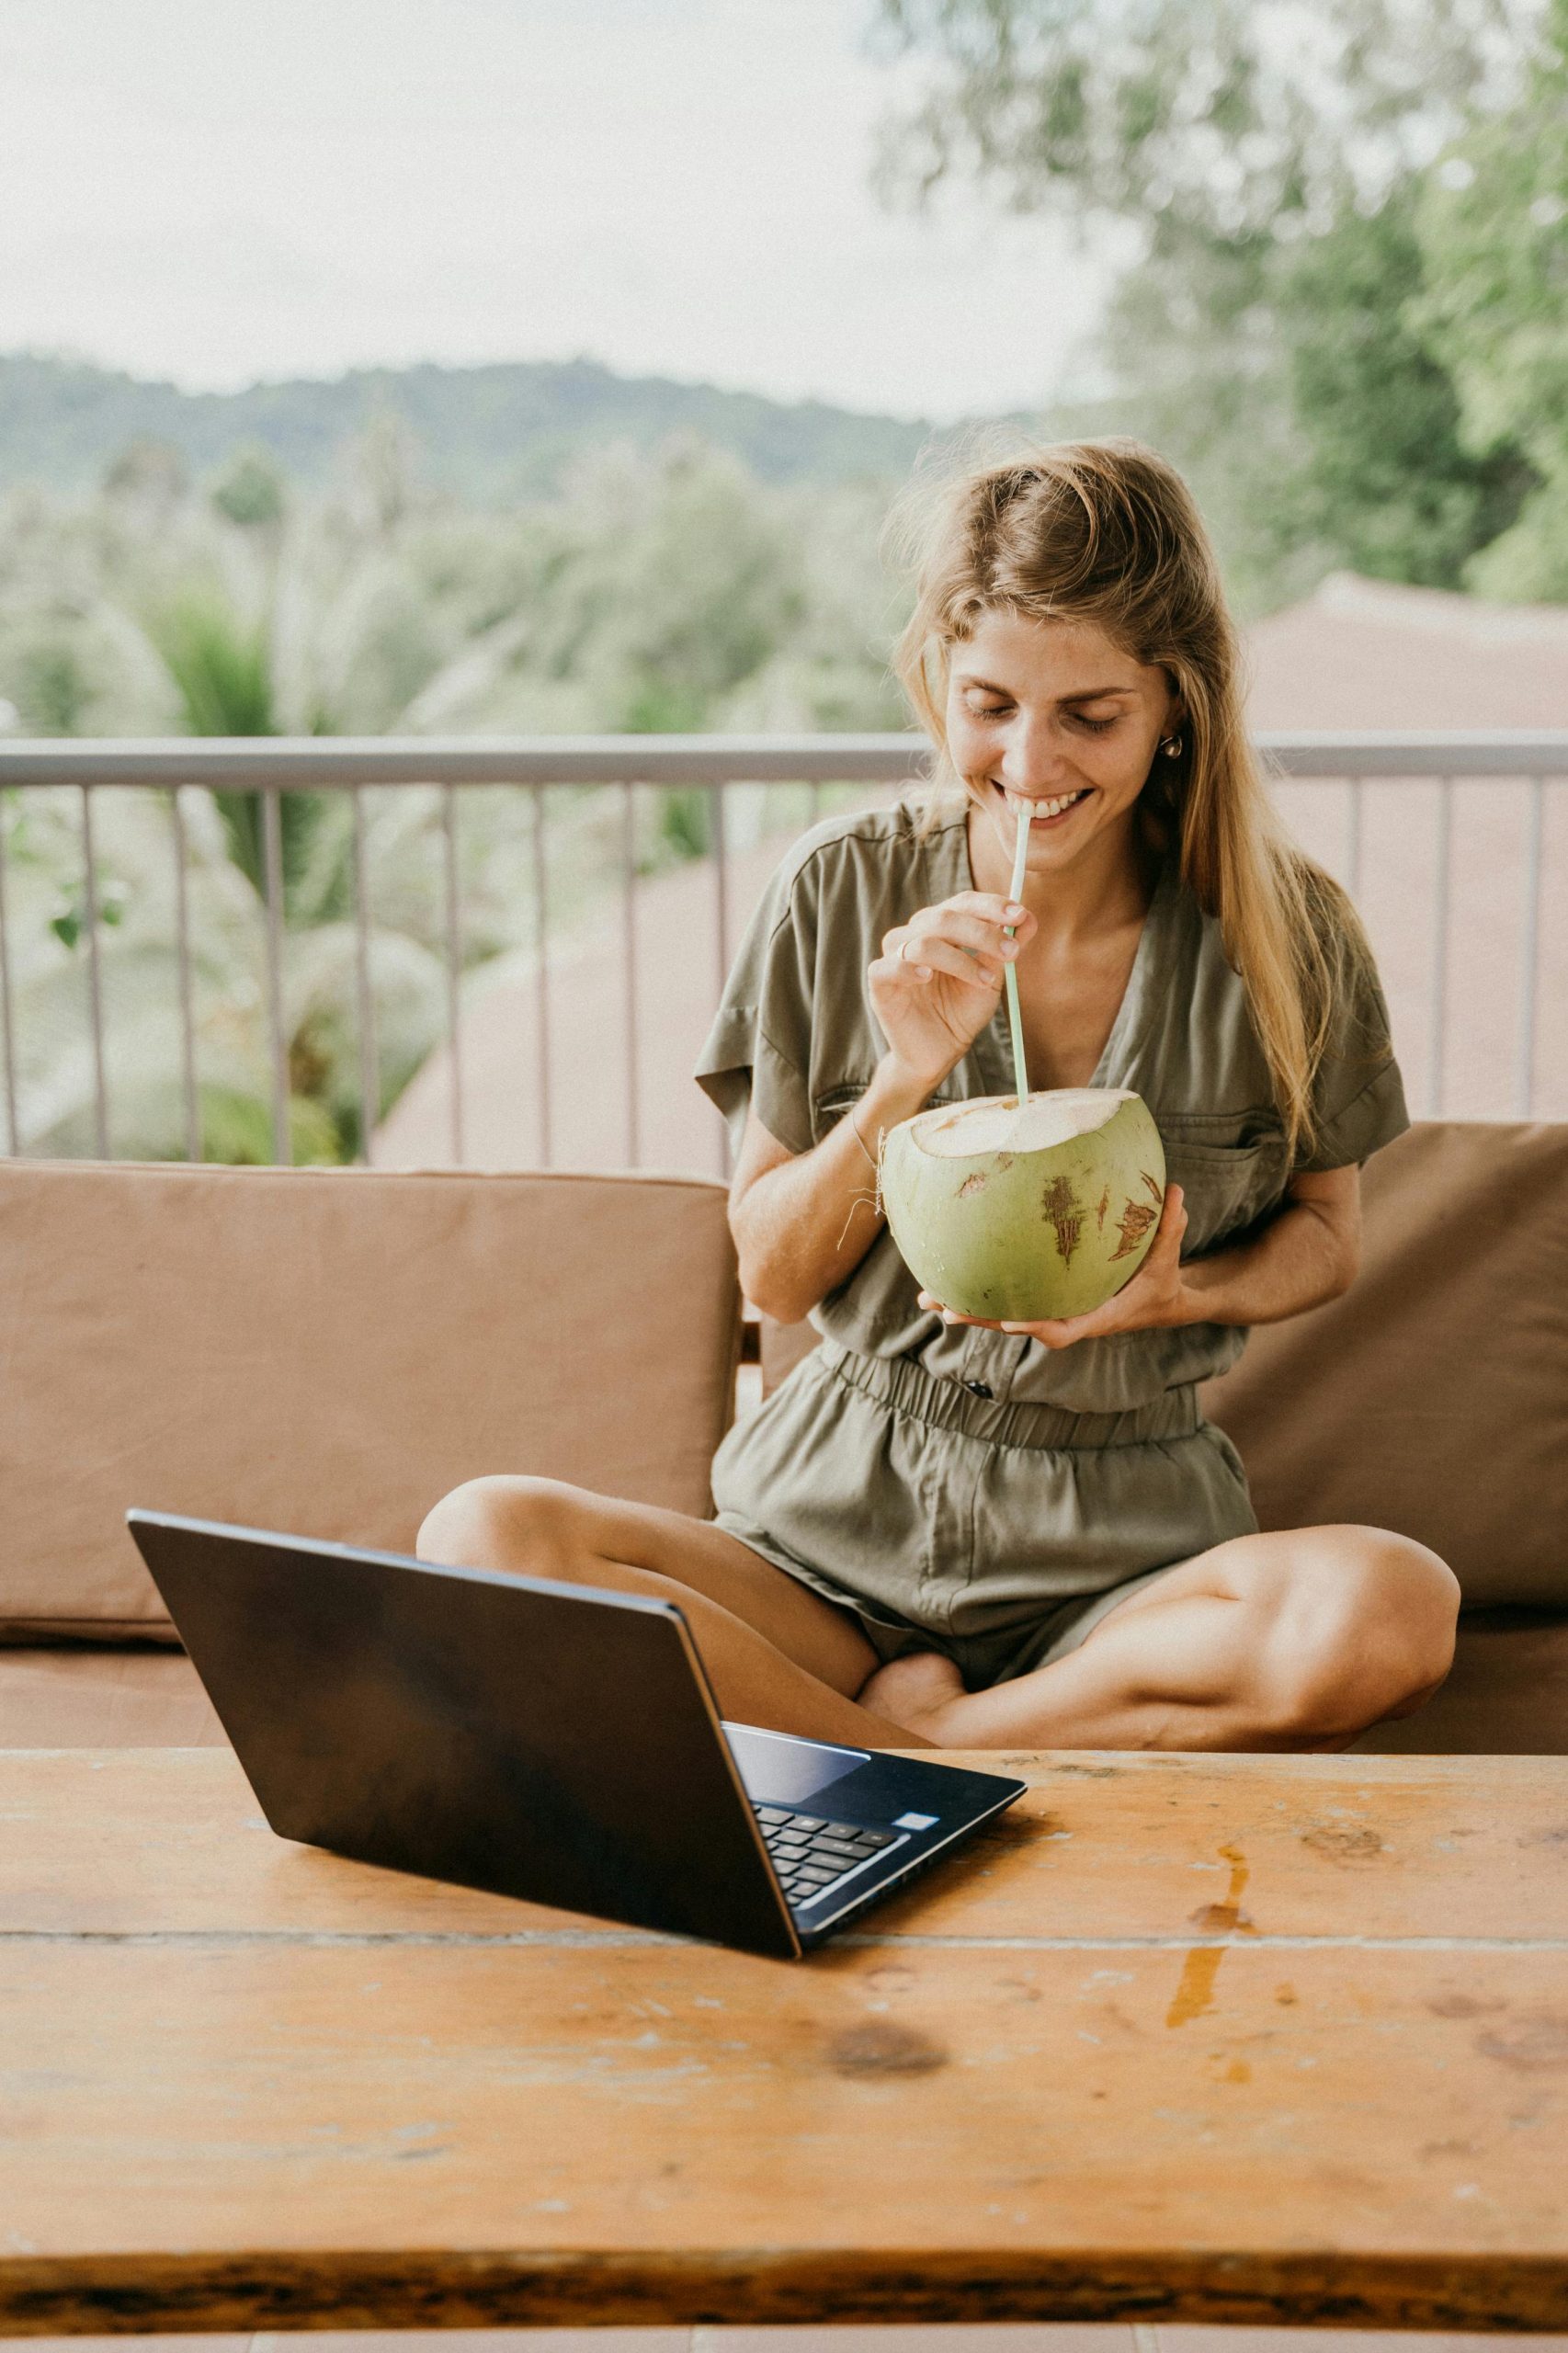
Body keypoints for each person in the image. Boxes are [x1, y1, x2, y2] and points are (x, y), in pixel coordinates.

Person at [418, 439, 1459, 1753]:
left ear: (1175, 705)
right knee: (484, 1535)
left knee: (1389, 1609)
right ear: (935, 684)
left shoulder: (1288, 937)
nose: (1029, 764)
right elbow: (777, 1281)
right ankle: (968, 1742)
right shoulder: (840, 887)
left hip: (1121, 1565)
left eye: (1090, 714)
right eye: (989, 706)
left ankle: (928, 1750)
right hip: (825, 1547)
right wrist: (903, 1073)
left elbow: (1325, 1236)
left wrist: (1180, 1292)